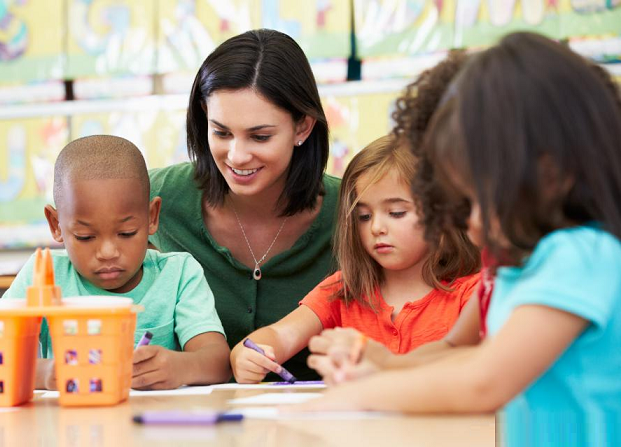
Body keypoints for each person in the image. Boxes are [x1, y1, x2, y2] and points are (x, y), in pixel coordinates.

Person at [294, 32, 621, 442]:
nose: (469, 224)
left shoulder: (580, 255)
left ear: (550, 173)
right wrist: (385, 363)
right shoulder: (514, 266)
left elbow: (485, 380)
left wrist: (365, 394)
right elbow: (458, 352)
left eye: (476, 200)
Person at [149, 29, 340, 380]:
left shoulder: (354, 210)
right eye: (221, 132)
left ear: (303, 127)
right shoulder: (157, 196)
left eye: (260, 136)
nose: (236, 156)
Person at [230, 134, 480, 383]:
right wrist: (247, 355)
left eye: (396, 212)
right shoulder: (343, 289)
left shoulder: (473, 294)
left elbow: (477, 372)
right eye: (363, 216)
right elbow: (280, 335)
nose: (376, 228)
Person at [308, 50, 483, 383]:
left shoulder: (568, 260)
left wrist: (373, 380)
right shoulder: (500, 272)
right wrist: (380, 363)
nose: (452, 211)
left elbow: (484, 381)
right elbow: (451, 347)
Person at [3, 135, 230, 390]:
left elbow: (218, 362)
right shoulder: (42, 276)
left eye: (126, 233)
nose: (108, 252)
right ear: (56, 225)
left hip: (156, 424)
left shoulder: (179, 274)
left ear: (152, 217)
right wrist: (44, 373)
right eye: (85, 237)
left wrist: (180, 367)